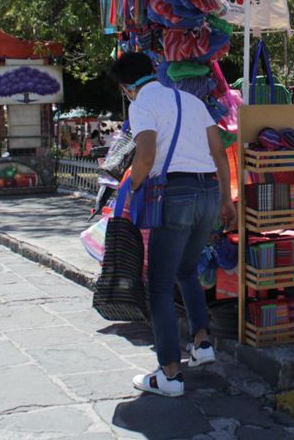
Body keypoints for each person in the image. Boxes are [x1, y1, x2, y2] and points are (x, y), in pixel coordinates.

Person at [109, 52, 235, 398]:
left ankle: (169, 374)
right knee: (186, 270)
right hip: (209, 191)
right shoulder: (192, 101)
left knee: (160, 286)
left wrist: (130, 190)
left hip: (175, 194)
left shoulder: (141, 106)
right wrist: (225, 199)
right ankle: (202, 341)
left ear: (127, 88)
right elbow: (219, 153)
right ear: (153, 71)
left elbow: (146, 156)